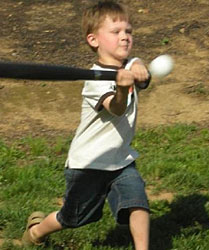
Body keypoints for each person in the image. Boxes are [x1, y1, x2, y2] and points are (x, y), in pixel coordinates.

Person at [22, 1, 151, 249]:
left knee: (137, 201)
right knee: (74, 218)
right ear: (94, 40)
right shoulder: (94, 81)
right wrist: (122, 89)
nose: (125, 37)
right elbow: (116, 108)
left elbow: (137, 62)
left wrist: (138, 63)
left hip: (121, 159)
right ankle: (37, 231)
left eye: (129, 31)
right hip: (89, 163)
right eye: (116, 32)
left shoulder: (128, 66)